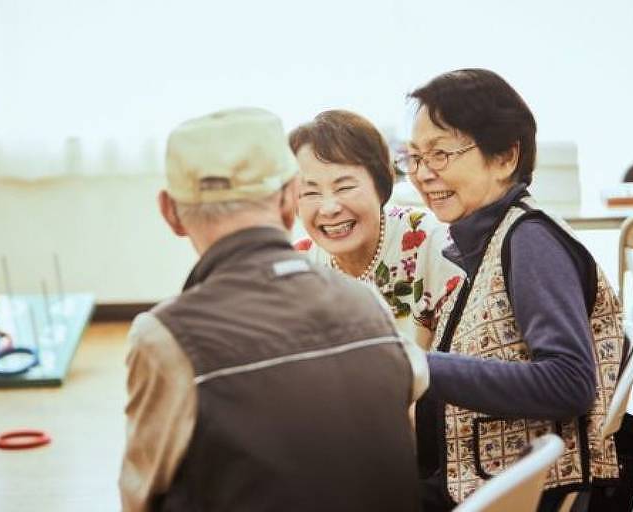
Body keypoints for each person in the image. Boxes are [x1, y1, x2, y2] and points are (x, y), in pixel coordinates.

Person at [119, 107, 428, 512]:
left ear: (170, 212)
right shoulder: (367, 303)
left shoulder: (164, 335)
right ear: (289, 200)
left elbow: (139, 496)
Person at [401, 69, 624, 511]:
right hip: (476, 485)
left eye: (440, 154)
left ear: (505, 157)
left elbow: (571, 382)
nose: (423, 174)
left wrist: (421, 368)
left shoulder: (530, 240)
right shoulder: (487, 240)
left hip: (512, 496)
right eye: (413, 158)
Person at [290, 110, 462, 348]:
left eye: (345, 187)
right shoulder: (297, 267)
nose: (329, 208)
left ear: (381, 186)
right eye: (309, 193)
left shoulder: (434, 242)